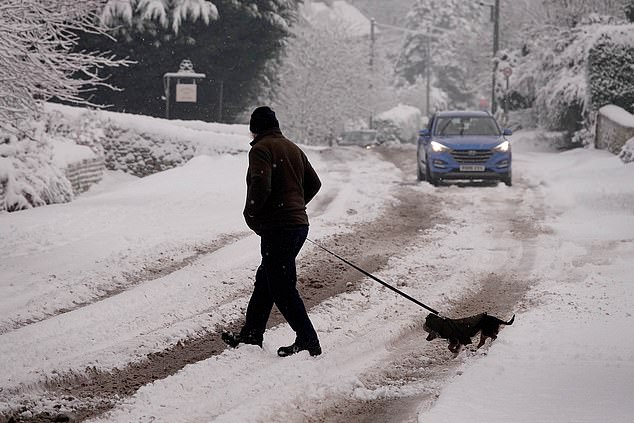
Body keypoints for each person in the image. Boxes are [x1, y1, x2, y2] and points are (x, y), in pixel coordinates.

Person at [222, 106, 322, 357]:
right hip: (296, 225)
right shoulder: (292, 148)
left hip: (279, 228)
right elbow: (315, 183)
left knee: (281, 286)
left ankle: (308, 339)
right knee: (267, 279)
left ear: (254, 129)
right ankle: (251, 335)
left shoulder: (261, 149)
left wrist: (252, 213)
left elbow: (261, 185)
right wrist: (295, 207)